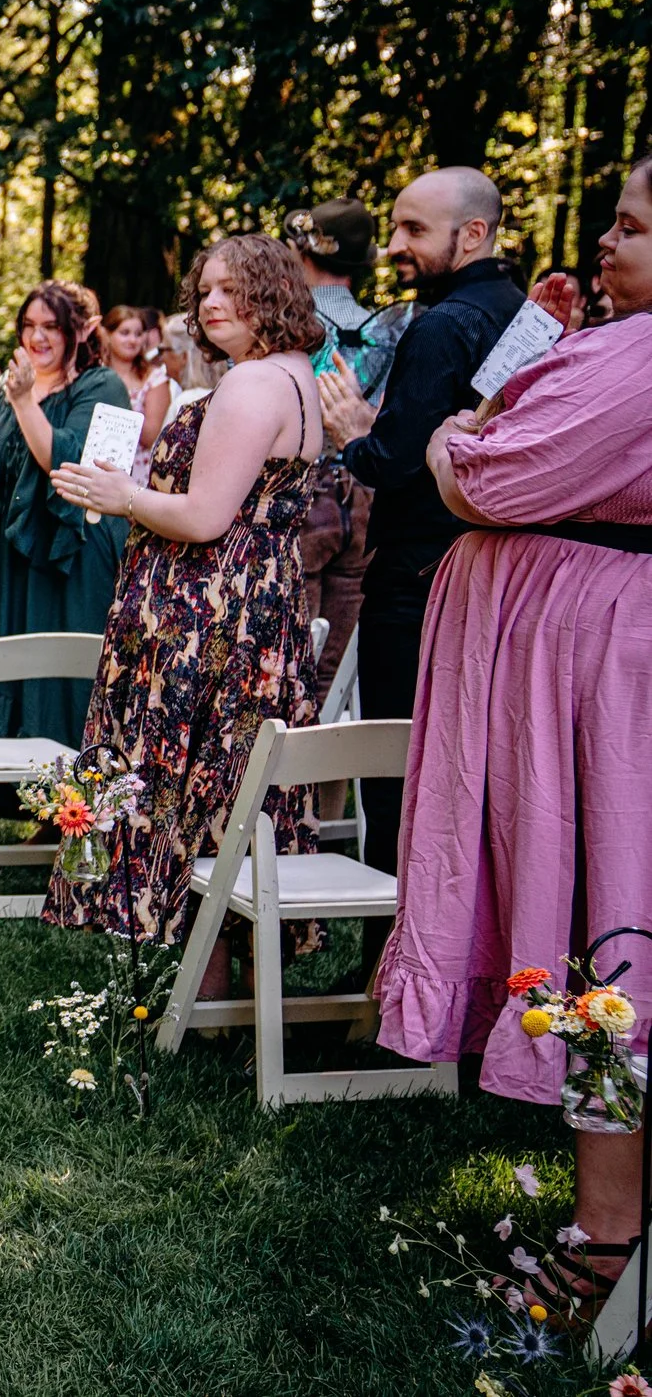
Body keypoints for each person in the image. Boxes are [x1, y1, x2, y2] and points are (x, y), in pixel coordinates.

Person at [374, 158, 652, 1310]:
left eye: (630, 225)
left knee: (608, 907)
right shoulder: (612, 338)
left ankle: (605, 1237)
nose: (605, 238)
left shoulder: (639, 359)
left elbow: (490, 468)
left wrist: (450, 449)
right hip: (567, 658)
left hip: (598, 673)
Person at [46, 235, 327, 950]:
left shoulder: (253, 384)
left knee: (184, 781)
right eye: (203, 289)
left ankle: (182, 964)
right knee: (224, 784)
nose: (210, 302)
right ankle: (214, 982)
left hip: (208, 617)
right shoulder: (293, 372)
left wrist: (122, 495)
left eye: (230, 288)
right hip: (257, 606)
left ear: (273, 291)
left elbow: (205, 517)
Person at [315, 167, 526, 884]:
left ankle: (388, 964)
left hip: (415, 581)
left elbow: (396, 460)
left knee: (396, 773)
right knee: (474, 774)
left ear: (472, 234)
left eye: (413, 230)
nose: (394, 246)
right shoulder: (523, 314)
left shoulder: (441, 326)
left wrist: (355, 432)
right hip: (496, 573)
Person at [0, 284, 130, 743]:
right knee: (13, 663)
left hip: (71, 553)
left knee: (67, 672)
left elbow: (65, 465)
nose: (37, 336)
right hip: (12, 557)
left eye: (51, 326)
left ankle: (76, 794)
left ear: (78, 331)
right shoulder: (12, 390)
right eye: (29, 325)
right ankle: (15, 783)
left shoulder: (102, 385)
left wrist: (26, 401)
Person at [284, 199, 382, 706]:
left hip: (305, 493)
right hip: (364, 496)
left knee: (288, 668)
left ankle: (280, 783)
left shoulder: (292, 327)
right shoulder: (391, 328)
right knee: (333, 677)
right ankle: (329, 784)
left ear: (304, 252)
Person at [98, 305, 171, 489]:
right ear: (108, 334)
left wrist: (118, 394)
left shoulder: (154, 379)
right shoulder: (95, 374)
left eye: (138, 334)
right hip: (97, 465)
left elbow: (150, 436)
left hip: (138, 472)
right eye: (125, 333)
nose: (132, 340)